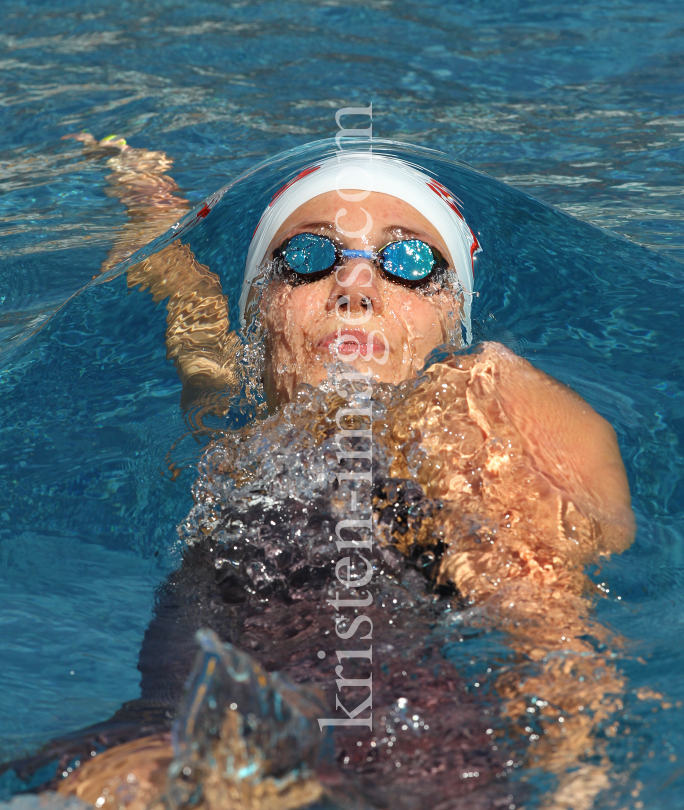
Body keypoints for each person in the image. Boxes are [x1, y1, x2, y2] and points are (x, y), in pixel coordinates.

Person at [36, 134, 635, 810]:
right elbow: (185, 301)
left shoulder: (476, 402)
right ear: (259, 317)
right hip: (175, 722)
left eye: (409, 260)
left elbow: (557, 627)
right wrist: (148, 199)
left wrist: (577, 779)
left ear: (452, 320)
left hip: (395, 729)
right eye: (308, 257)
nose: (354, 284)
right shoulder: (225, 409)